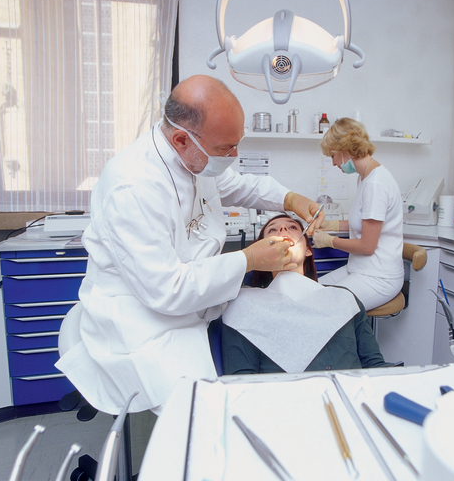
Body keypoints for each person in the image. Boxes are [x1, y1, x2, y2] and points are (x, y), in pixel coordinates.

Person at [55, 75, 324, 415]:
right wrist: (249, 260)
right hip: (145, 319)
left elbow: (238, 185)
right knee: (202, 415)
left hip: (197, 299)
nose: (235, 155)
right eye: (226, 148)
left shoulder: (194, 157)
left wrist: (290, 198)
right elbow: (168, 289)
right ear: (181, 139)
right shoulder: (132, 188)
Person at [222, 214, 390, 374]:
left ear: (309, 251)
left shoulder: (345, 300)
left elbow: (374, 365)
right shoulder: (244, 307)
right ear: (260, 252)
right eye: (272, 230)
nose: (282, 230)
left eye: (292, 227)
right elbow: (242, 382)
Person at [312, 118, 404, 311]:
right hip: (359, 270)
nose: (333, 162)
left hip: (379, 277)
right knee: (310, 292)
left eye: (333, 155)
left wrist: (329, 241)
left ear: (346, 149)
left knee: (323, 307)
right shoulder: (365, 178)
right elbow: (364, 224)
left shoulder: (376, 185)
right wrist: (330, 224)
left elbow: (367, 246)